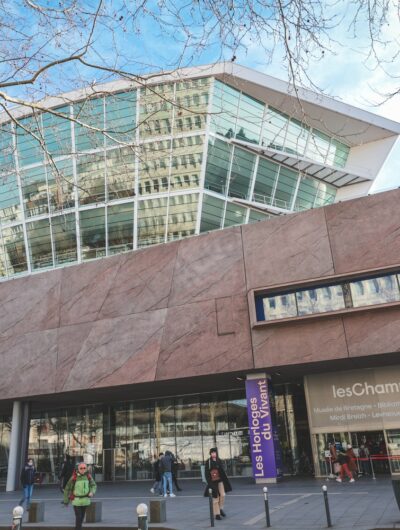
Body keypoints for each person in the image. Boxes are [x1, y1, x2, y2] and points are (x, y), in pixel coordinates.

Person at [63, 462, 97, 530]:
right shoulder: (74, 477)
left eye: (84, 468)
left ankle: (78, 528)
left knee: (81, 517)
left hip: (85, 500)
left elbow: (94, 485)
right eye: (81, 468)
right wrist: (66, 501)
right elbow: (67, 488)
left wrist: (92, 492)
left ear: (86, 468)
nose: (83, 469)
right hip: (76, 501)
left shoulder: (88, 476)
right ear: (78, 469)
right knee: (78, 516)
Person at [204, 448, 232, 520]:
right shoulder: (208, 462)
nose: (214, 454)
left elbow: (223, 470)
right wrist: (209, 482)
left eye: (215, 453)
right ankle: (217, 514)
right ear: (210, 454)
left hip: (220, 480)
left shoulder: (219, 460)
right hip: (213, 482)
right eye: (212, 453)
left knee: (222, 494)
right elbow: (206, 474)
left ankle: (220, 508)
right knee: (216, 497)